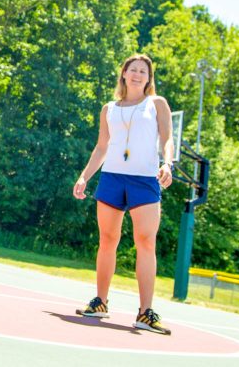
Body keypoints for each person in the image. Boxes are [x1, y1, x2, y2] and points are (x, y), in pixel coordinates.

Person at [72, 54, 174, 335]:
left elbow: (167, 139)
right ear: (124, 74)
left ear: (148, 78)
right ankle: (101, 302)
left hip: (144, 180)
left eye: (144, 71)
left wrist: (168, 163)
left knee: (145, 242)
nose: (138, 74)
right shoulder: (109, 109)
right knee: (107, 239)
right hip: (112, 178)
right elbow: (102, 147)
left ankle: (145, 313)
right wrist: (84, 176)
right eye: (133, 70)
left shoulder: (157, 104)